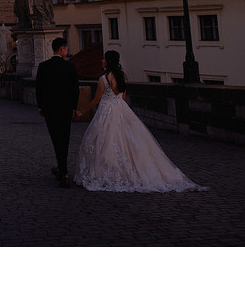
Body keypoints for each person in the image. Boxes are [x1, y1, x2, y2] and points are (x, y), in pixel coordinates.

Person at [74, 51, 206, 192]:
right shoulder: (122, 76)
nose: (101, 60)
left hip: (106, 111)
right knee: (128, 142)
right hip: (121, 110)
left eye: (104, 59)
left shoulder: (103, 79)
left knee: (103, 142)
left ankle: (108, 173)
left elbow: (95, 100)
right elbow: (122, 97)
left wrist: (81, 111)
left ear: (109, 61)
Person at [36, 36, 79, 188]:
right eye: (66, 49)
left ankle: (63, 170)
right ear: (61, 49)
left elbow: (39, 89)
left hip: (50, 109)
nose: (67, 52)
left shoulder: (43, 66)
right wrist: (74, 107)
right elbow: (75, 90)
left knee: (56, 139)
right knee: (64, 139)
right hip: (66, 109)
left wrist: (41, 106)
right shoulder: (70, 67)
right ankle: (63, 170)